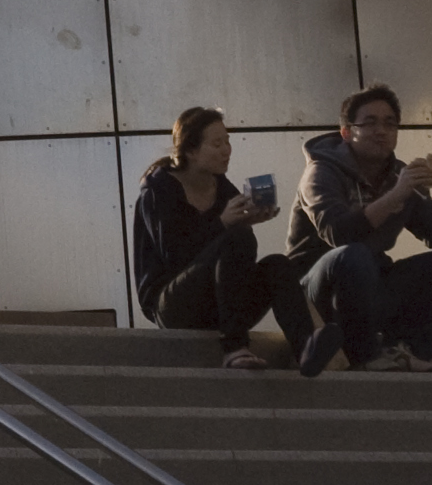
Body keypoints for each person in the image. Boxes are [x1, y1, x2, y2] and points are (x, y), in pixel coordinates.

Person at [286, 82, 432, 375]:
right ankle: (366, 354)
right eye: (369, 123)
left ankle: (406, 350)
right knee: (353, 255)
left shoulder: (400, 173)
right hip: (317, 286)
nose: (381, 131)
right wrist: (396, 195)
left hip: (371, 283)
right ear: (347, 132)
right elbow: (337, 234)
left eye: (390, 123)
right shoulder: (321, 171)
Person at [131, 105, 312, 371]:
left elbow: (239, 258)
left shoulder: (223, 188)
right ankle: (235, 348)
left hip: (221, 305)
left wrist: (247, 221)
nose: (227, 150)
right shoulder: (160, 191)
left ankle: (307, 348)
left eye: (228, 141)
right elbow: (174, 255)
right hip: (173, 305)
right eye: (217, 144)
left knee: (278, 265)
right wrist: (222, 224)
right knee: (235, 237)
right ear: (191, 150)